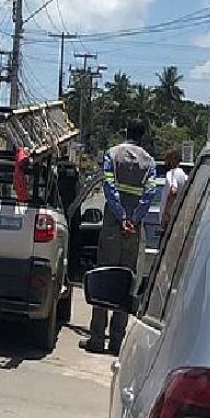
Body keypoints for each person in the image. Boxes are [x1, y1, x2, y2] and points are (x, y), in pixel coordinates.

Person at [80, 119, 157, 355]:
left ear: (126, 133)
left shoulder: (112, 155)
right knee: (126, 281)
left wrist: (121, 217)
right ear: (142, 136)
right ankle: (116, 342)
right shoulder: (149, 162)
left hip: (113, 226)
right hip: (133, 230)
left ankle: (96, 338)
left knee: (104, 277)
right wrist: (133, 220)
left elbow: (109, 188)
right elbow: (150, 193)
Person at [160, 149, 188, 230]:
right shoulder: (184, 175)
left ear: (173, 159)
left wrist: (166, 213)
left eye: (167, 159)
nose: (165, 162)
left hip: (170, 219)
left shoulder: (172, 173)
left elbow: (173, 191)